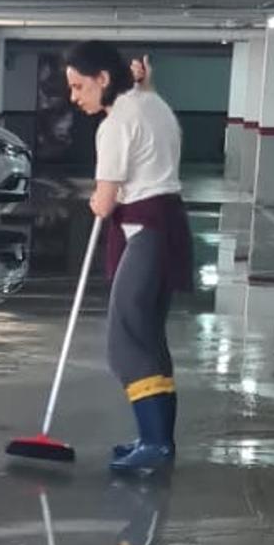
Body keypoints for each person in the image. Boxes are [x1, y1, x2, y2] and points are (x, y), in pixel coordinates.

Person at [64, 42, 192, 474]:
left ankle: (156, 446)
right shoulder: (152, 102)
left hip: (145, 234)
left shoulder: (116, 122)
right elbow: (145, 107)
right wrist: (145, 81)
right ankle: (155, 441)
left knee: (127, 341)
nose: (74, 97)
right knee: (148, 335)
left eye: (80, 86)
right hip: (165, 229)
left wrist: (96, 203)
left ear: (103, 79)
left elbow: (105, 199)